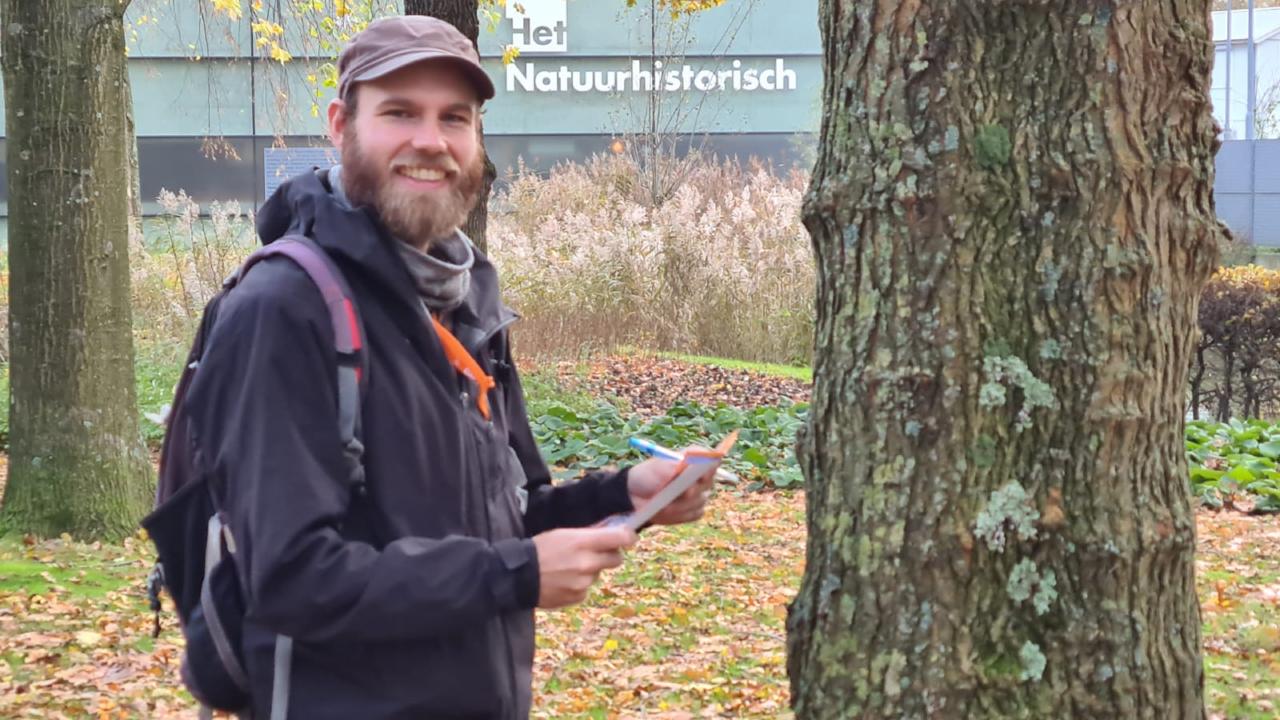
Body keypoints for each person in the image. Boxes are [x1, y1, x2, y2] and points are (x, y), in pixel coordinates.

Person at [182, 15, 716, 720]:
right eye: (400, 113)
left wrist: (623, 495)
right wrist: (516, 575)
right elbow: (291, 578)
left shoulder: (464, 303)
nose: (431, 141)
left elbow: (504, 520)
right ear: (342, 125)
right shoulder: (283, 310)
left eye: (454, 118)